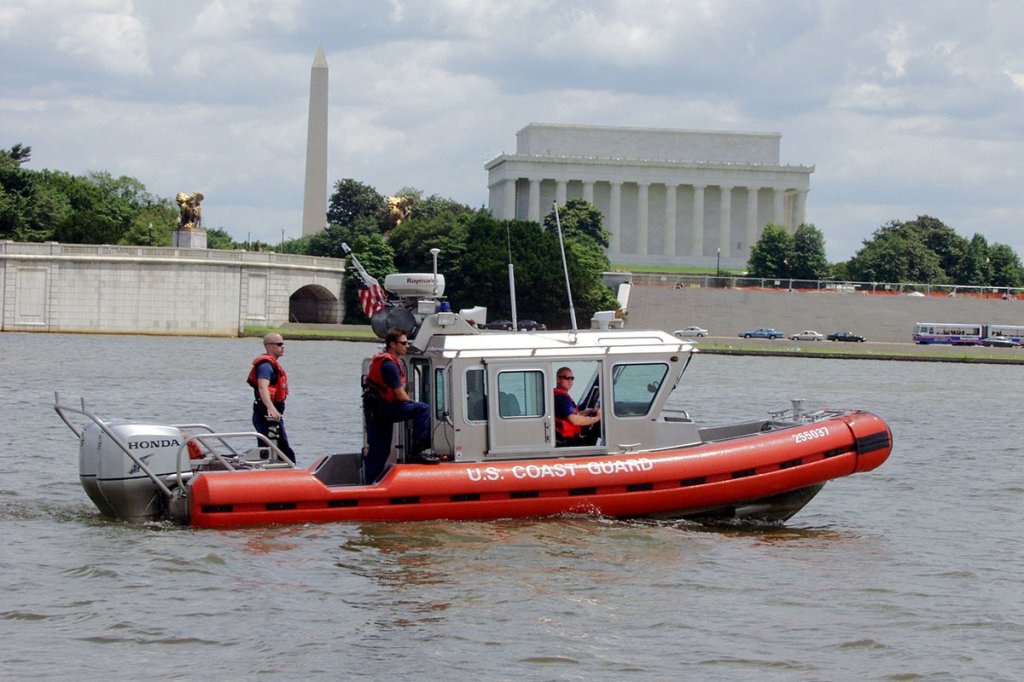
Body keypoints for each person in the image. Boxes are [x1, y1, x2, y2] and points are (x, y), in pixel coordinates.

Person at [363, 328, 435, 482]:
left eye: (407, 342)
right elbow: (400, 395)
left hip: (376, 411)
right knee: (423, 409)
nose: (407, 346)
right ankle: (419, 450)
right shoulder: (389, 365)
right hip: (383, 409)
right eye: (403, 343)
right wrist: (411, 403)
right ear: (392, 344)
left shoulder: (385, 361)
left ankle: (370, 482)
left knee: (380, 449)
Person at [246, 332, 296, 463]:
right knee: (276, 450)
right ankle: (284, 470)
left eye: (283, 343)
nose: (283, 346)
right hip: (266, 415)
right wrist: (270, 407)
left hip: (273, 415)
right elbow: (263, 387)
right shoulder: (265, 366)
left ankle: (283, 470)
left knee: (280, 447)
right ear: (269, 346)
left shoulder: (272, 365)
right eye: (279, 344)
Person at [554, 366, 600, 447]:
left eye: (572, 378)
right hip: (567, 441)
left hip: (561, 438)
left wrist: (590, 411)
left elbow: (574, 416)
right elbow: (575, 421)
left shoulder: (557, 394)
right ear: (558, 379)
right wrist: (596, 419)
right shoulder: (563, 398)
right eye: (566, 378)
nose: (570, 380)